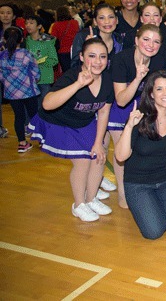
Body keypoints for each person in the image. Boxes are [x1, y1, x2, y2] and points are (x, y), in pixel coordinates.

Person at [28, 38, 114, 222]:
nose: (98, 61)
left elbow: (104, 110)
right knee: (82, 161)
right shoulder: (72, 76)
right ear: (81, 57)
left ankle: (91, 199)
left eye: (102, 56)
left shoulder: (108, 79)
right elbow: (47, 104)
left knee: (99, 155)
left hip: (83, 122)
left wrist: (98, 143)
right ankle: (79, 204)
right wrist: (78, 85)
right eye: (92, 56)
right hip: (59, 123)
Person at [114, 71, 166, 239]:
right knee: (154, 232)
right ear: (151, 94)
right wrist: (129, 127)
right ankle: (148, 203)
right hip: (138, 183)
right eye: (160, 89)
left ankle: (157, 202)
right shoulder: (139, 117)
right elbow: (120, 157)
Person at [109, 24, 166, 208]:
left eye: (156, 41)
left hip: (145, 108)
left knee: (141, 149)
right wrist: (137, 78)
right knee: (123, 152)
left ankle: (142, 187)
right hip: (121, 109)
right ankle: (122, 192)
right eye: (146, 39)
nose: (151, 45)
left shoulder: (159, 60)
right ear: (136, 40)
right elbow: (121, 100)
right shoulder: (121, 59)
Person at [0, 27, 40, 152]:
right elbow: (35, 72)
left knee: (19, 117)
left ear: (4, 39)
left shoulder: (2, 56)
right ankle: (41, 140)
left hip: (12, 92)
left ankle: (22, 143)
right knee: (34, 116)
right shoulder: (27, 54)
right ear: (22, 39)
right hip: (29, 91)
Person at [24, 14, 58, 100]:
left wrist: (40, 62)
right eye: (26, 23)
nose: (28, 25)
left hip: (44, 78)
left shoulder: (47, 42)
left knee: (45, 103)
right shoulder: (25, 41)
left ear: (39, 26)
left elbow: (54, 60)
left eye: (31, 23)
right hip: (29, 79)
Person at [50, 6, 80, 72]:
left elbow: (53, 39)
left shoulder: (55, 25)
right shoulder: (75, 22)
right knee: (76, 71)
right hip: (75, 50)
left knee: (67, 72)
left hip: (62, 52)